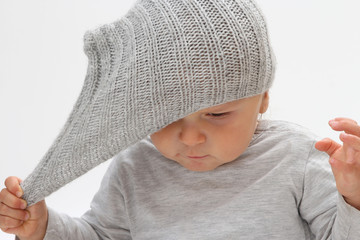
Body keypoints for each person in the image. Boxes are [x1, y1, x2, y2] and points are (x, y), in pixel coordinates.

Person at [1, 0, 360, 239]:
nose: (190, 138)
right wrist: (44, 227)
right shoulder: (134, 166)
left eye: (217, 113)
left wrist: (354, 196)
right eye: (165, 116)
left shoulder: (295, 157)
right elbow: (99, 235)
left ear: (263, 98)